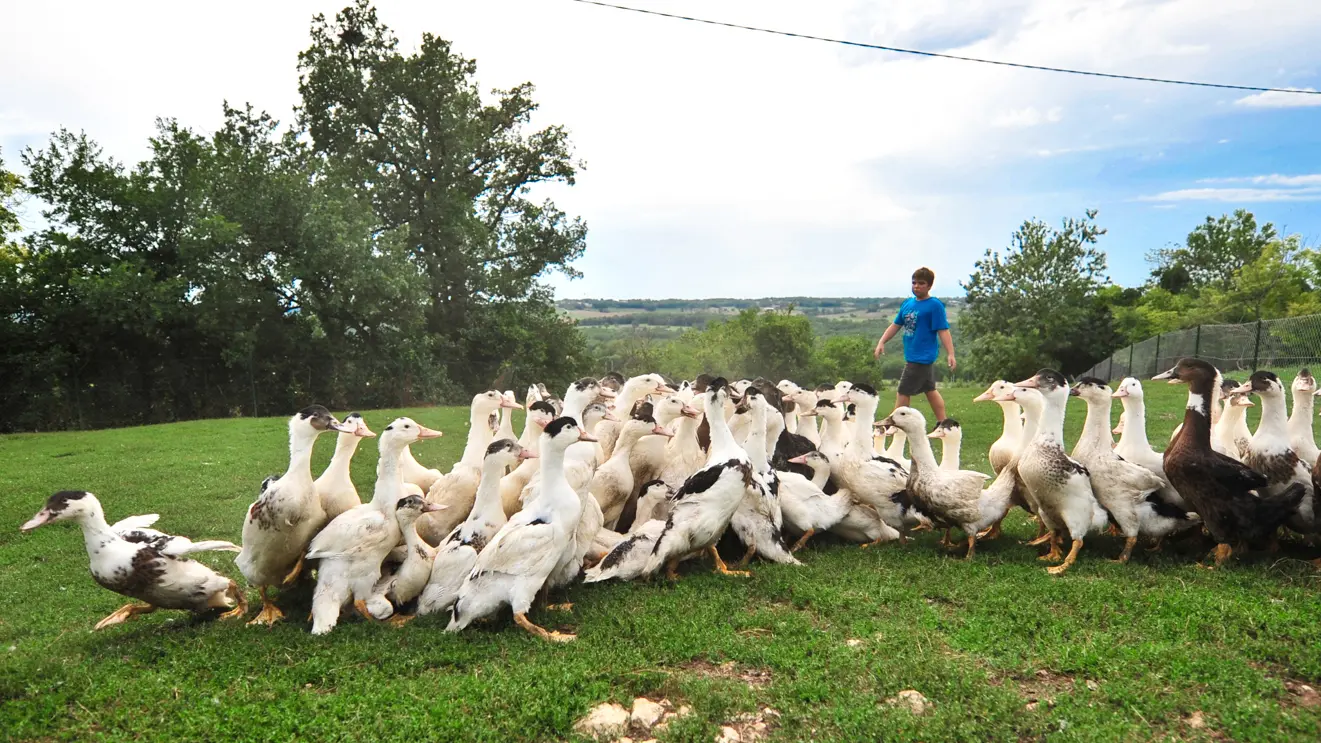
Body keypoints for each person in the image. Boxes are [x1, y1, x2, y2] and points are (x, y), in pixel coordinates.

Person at [873, 267, 955, 421]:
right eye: (914, 283)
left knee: (903, 391)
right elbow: (896, 325)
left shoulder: (934, 305)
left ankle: (894, 423)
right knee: (930, 390)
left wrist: (951, 353)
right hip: (912, 354)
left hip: (922, 357)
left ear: (929, 286)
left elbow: (943, 330)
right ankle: (943, 422)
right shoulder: (908, 304)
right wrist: (882, 341)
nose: (916, 286)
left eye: (921, 283)